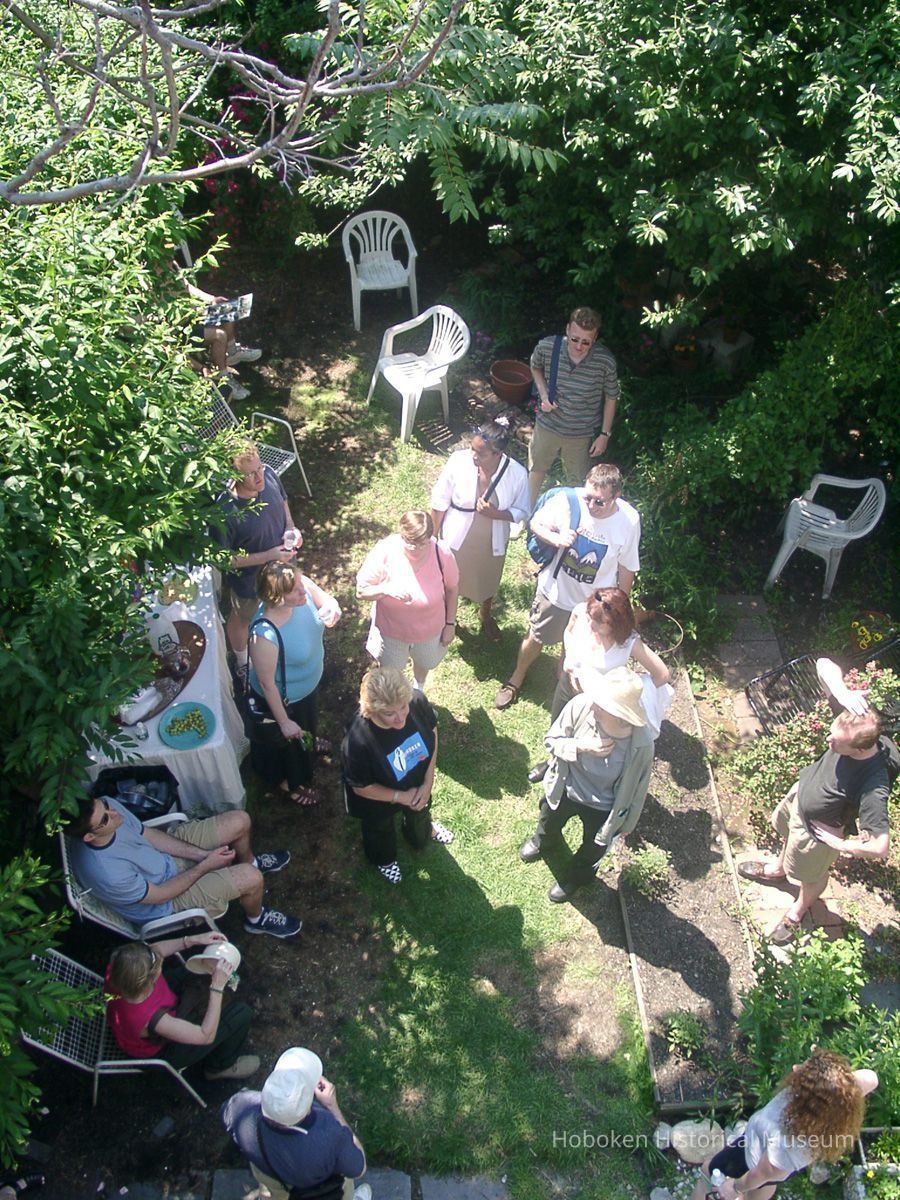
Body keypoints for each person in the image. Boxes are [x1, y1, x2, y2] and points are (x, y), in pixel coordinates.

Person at [738, 657, 897, 944]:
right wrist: (842, 692)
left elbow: (880, 846)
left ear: (860, 750)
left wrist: (841, 845)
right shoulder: (854, 723)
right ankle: (777, 870)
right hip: (799, 800)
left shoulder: (874, 783)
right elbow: (823, 663)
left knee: (811, 876)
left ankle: (798, 911)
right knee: (787, 836)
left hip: (818, 834)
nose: (828, 740)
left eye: (835, 742)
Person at [494, 463, 640, 710]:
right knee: (537, 636)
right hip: (556, 591)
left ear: (617, 496)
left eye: (600, 502)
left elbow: (627, 566)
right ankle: (516, 678)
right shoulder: (567, 500)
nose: (591, 506)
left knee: (578, 646)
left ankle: (562, 682)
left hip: (593, 604)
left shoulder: (629, 520)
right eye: (588, 497)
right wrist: (556, 538)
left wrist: (621, 606)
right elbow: (536, 523)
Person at [66, 795, 302, 938]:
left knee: (240, 820)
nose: (114, 812)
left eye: (105, 806)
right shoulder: (106, 872)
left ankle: (251, 861)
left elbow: (148, 835)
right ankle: (256, 920)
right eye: (105, 818)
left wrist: (200, 855)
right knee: (251, 879)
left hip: (161, 857)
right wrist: (205, 866)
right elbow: (160, 896)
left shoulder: (109, 809)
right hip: (165, 900)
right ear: (89, 837)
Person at [519, 666, 653, 903]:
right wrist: (580, 746)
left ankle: (575, 877)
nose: (593, 705)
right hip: (567, 788)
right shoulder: (581, 706)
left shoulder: (642, 745)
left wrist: (628, 822)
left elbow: (640, 787)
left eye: (600, 705)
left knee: (593, 847)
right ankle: (543, 841)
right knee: (548, 818)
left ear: (620, 714)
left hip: (604, 808)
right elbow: (551, 741)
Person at [689, 1049, 877, 1200]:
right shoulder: (833, 1105)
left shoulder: (787, 1145)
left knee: (708, 1170)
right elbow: (871, 1078)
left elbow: (761, 1173)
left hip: (748, 1159)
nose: (796, 1068)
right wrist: (838, 1081)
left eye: (804, 1076)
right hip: (770, 1167)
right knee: (764, 1186)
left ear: (812, 1100)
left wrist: (735, 1187)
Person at [529, 586, 672, 781]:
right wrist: (569, 657)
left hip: (597, 706)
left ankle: (577, 778)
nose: (591, 626)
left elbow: (662, 675)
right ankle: (552, 763)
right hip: (568, 686)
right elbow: (569, 631)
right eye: (590, 618)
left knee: (589, 742)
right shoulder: (581, 612)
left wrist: (628, 691)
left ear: (617, 624)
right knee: (559, 727)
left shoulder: (628, 643)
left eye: (599, 623)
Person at [341, 667, 453, 885]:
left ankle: (423, 832)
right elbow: (360, 787)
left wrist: (428, 782)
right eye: (389, 713)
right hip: (378, 797)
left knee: (420, 810)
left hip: (416, 782)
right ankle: (384, 860)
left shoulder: (416, 701)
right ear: (371, 711)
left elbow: (432, 731)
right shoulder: (357, 739)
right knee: (378, 828)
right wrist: (400, 797)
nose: (400, 718)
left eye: (402, 707)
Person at [221, 1046, 371, 1200]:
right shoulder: (330, 1136)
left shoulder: (241, 1108)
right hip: (314, 1187)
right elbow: (359, 1167)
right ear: (307, 1109)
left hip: (269, 1176)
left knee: (274, 1194)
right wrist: (332, 1106)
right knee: (345, 1189)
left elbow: (226, 1112)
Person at [248, 560, 341, 806]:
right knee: (288, 745)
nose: (303, 590)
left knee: (307, 728)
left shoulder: (300, 588)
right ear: (277, 598)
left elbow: (318, 594)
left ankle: (308, 746)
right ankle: (290, 783)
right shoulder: (264, 635)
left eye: (301, 582)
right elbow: (268, 684)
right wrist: (284, 721)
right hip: (284, 704)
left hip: (307, 690)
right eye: (295, 590)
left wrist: (331, 605)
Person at [105, 933, 258, 1081]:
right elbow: (205, 1036)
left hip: (163, 1005)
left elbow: (155, 951)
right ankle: (219, 1067)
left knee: (197, 968)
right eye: (158, 965)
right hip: (162, 1050)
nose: (159, 957)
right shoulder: (149, 1017)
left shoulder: (121, 968)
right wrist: (217, 987)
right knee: (241, 1013)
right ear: (150, 981)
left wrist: (191, 940)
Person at [430, 419, 530, 640]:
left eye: (481, 454)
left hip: (490, 541)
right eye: (472, 449)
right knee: (449, 577)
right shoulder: (458, 461)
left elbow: (523, 510)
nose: (473, 456)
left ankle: (485, 613)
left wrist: (498, 515)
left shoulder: (517, 473)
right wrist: (433, 537)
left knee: (488, 578)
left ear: (499, 453)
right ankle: (447, 617)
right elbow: (440, 499)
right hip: (457, 535)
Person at [213, 442, 302, 668]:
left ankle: (281, 644)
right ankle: (242, 662)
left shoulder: (269, 474)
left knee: (283, 606)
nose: (259, 477)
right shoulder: (225, 512)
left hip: (283, 568)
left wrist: (291, 527)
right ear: (234, 475)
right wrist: (267, 556)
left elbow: (282, 500)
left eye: (259, 468)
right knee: (243, 619)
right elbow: (224, 559)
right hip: (249, 582)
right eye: (250, 474)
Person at [356, 510, 459, 692]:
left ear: (431, 538)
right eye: (409, 542)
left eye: (422, 544)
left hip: (429, 630)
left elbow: (452, 589)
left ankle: (418, 689)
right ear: (401, 534)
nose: (415, 548)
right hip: (392, 632)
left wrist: (450, 624)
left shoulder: (441, 553)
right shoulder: (385, 550)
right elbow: (361, 591)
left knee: (424, 661)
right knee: (392, 672)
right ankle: (398, 698)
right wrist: (385, 589)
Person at [528, 305, 619, 505]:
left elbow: (612, 397)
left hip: (580, 434)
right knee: (536, 470)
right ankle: (525, 514)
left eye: (586, 342)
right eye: (575, 339)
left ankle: (572, 521)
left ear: (595, 339)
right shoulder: (547, 347)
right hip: (547, 426)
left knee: (577, 483)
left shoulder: (605, 362)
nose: (579, 346)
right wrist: (544, 395)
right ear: (568, 330)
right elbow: (534, 366)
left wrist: (604, 435)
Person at [185, 279, 260, 400]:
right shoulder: (152, 282)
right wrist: (198, 310)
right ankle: (223, 376)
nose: (171, 261)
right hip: (181, 328)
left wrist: (212, 299)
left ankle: (232, 352)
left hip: (192, 316)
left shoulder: (171, 269)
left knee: (229, 309)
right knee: (219, 335)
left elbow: (188, 287)